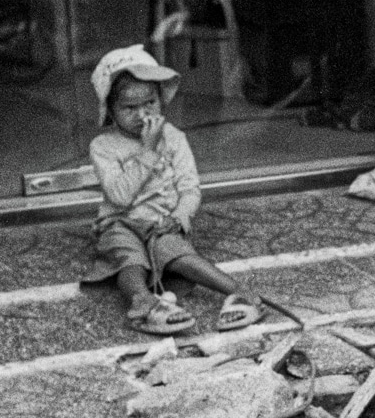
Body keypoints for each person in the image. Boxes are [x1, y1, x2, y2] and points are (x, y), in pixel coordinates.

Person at [84, 45, 264, 335]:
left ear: (161, 101)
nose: (142, 114)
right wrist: (148, 150)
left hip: (162, 222)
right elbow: (119, 196)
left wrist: (179, 216)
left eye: (150, 103)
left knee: (176, 252)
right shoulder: (103, 147)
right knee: (129, 257)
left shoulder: (175, 138)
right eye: (129, 108)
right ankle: (143, 303)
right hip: (120, 222)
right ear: (110, 112)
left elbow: (190, 188)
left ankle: (239, 292)